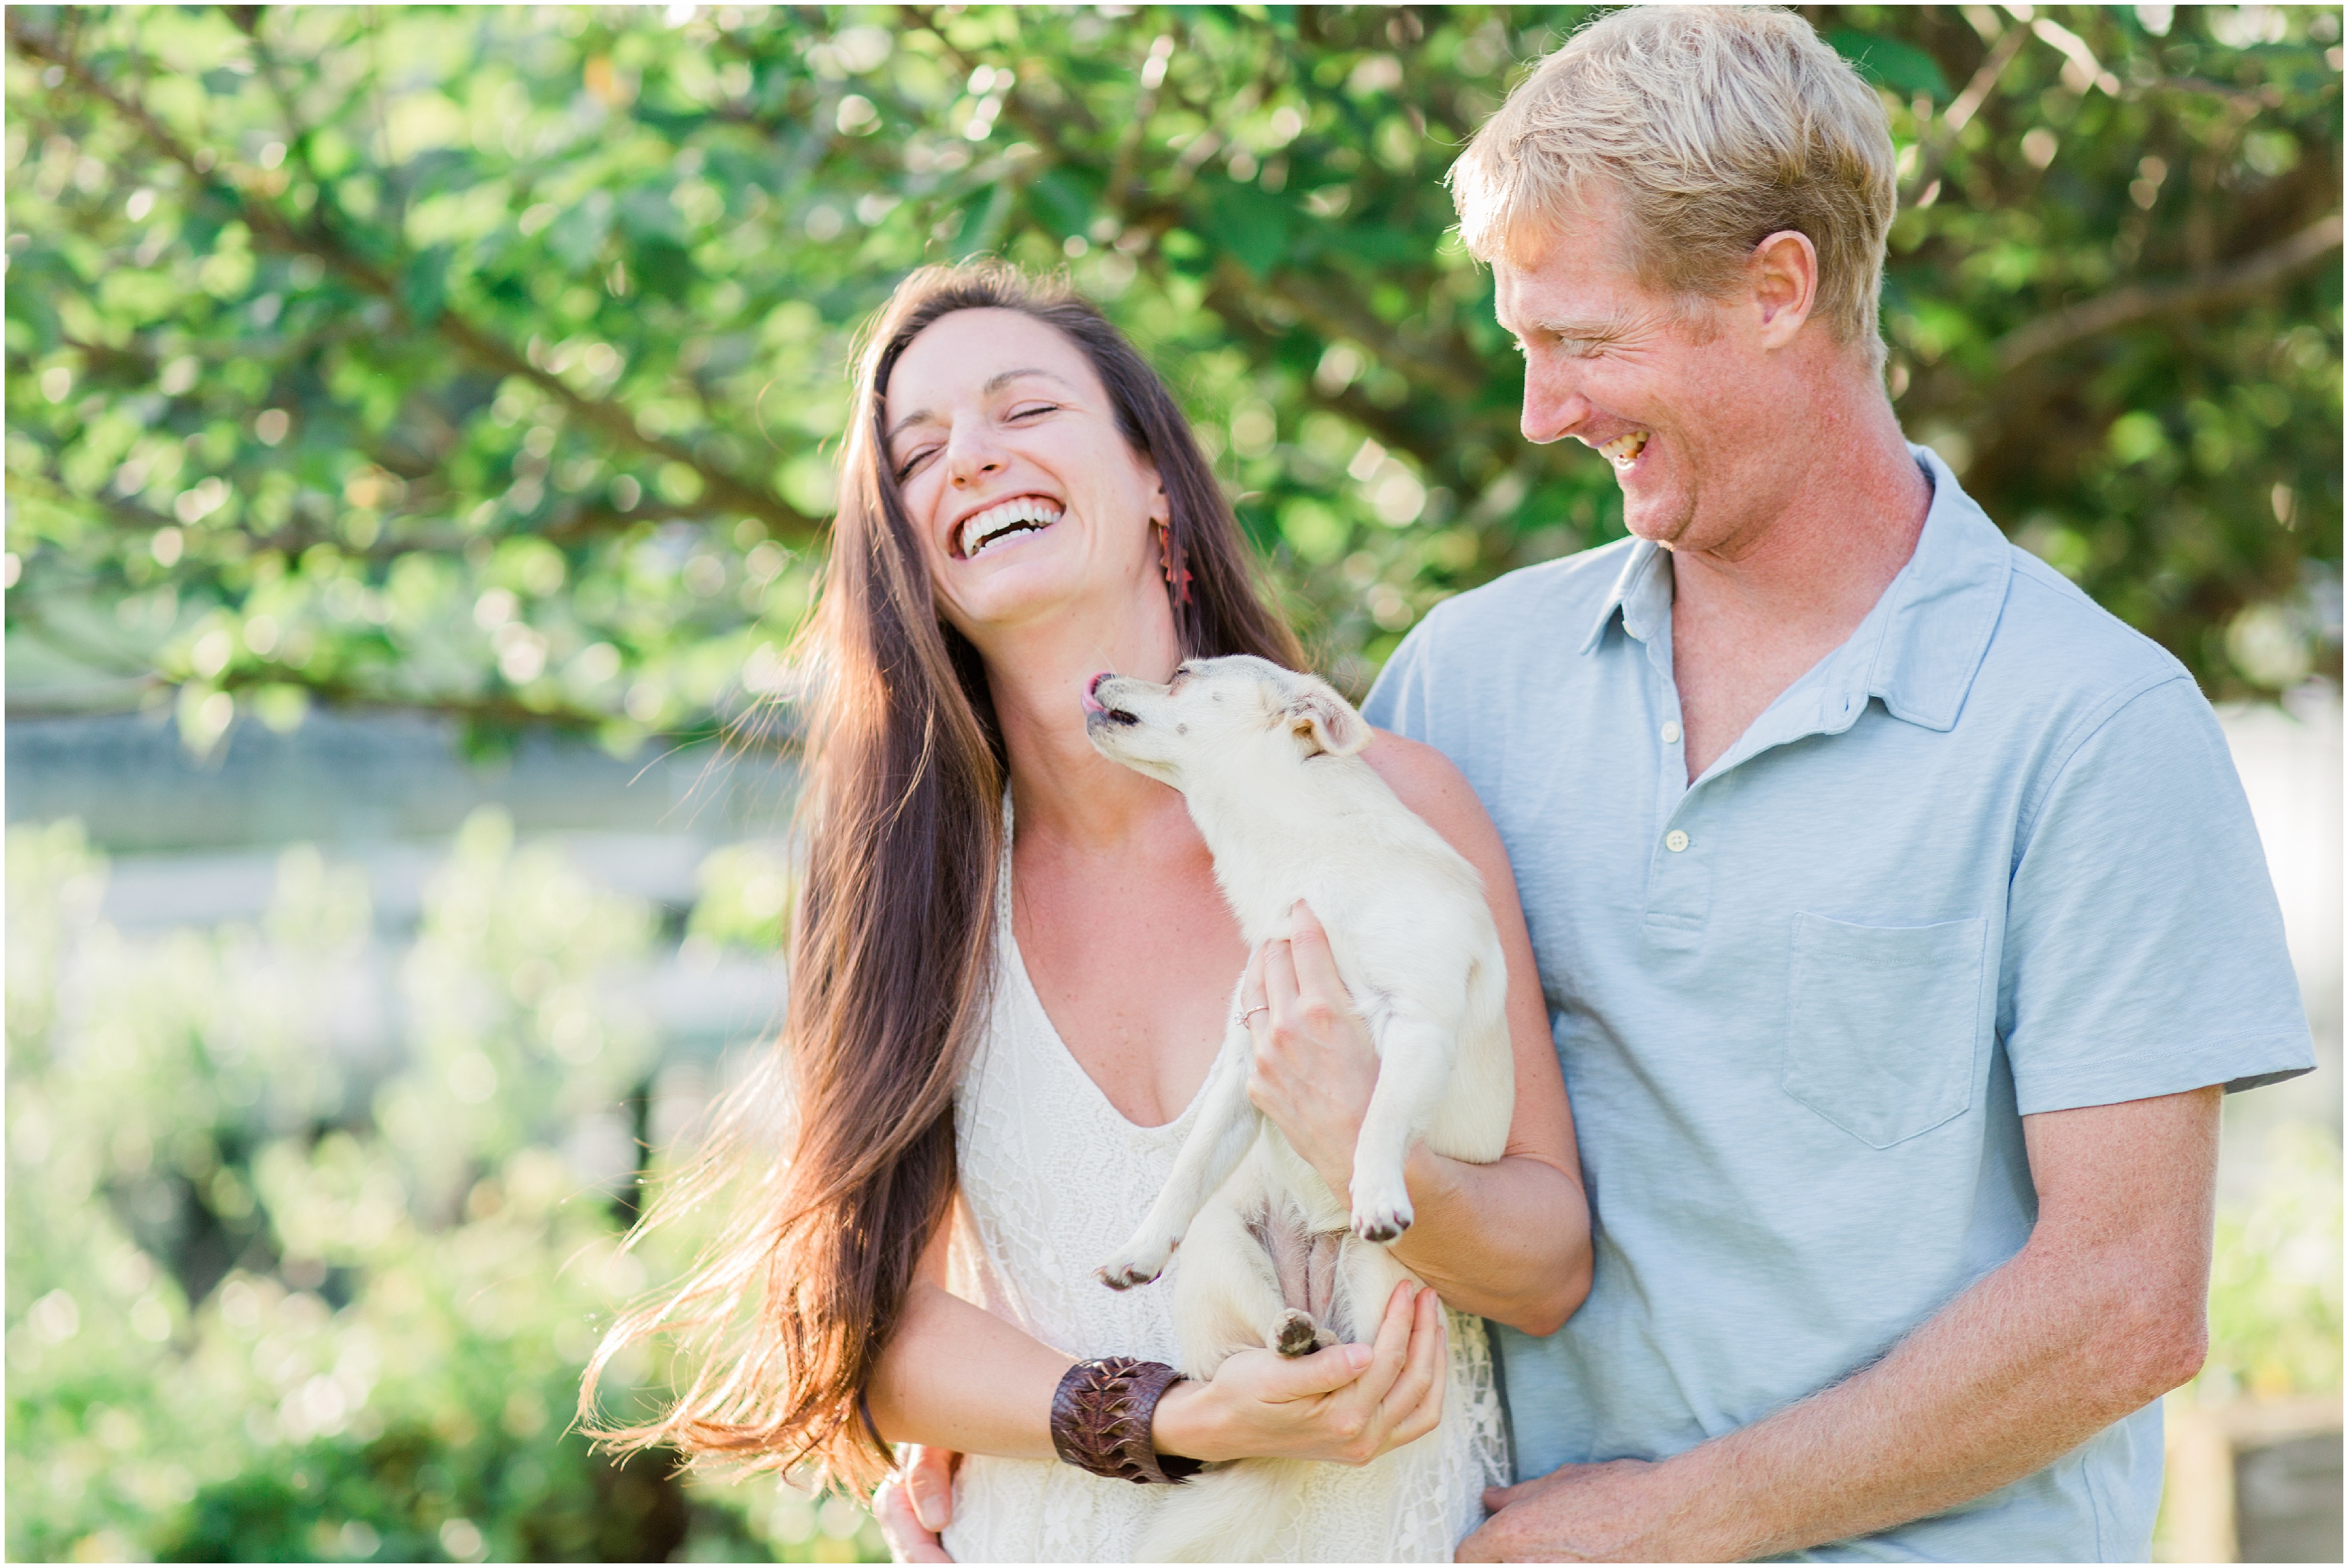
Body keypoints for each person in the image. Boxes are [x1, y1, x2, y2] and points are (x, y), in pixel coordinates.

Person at [1349, 8, 2314, 1561]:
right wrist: (1064, 1421)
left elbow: (2123, 1303)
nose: (1543, 412)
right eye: (1527, 347)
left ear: (1776, 287)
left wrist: (1669, 1525)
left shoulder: (2088, 720)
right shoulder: (1468, 680)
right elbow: (1280, 1081)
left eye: (1586, 343)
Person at [587, 261, 1593, 1562]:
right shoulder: (912, 887)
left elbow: (1550, 1259)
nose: (974, 459)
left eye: (1025, 411)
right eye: (918, 448)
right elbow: (872, 1318)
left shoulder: (1391, 804)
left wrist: (1361, 1137)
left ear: (1154, 485)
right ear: (905, 555)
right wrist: (1169, 1415)